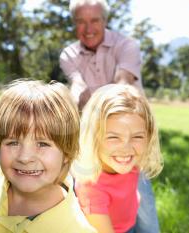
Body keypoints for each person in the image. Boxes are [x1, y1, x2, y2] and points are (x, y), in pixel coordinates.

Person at [60, 1, 159, 232]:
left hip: (129, 130)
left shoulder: (127, 46)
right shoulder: (69, 54)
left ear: (105, 21)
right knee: (98, 203)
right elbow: (77, 85)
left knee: (142, 208)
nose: (88, 28)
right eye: (81, 22)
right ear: (74, 24)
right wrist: (69, 106)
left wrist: (114, 106)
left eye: (94, 20)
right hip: (101, 142)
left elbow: (123, 81)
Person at [0, 80, 97, 233]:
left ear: (67, 152)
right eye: (13, 142)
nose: (24, 157)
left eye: (42, 144)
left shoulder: (74, 229)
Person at [72, 84, 163, 233]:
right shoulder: (91, 187)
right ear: (93, 137)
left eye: (137, 136)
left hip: (129, 225)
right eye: (113, 137)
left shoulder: (130, 162)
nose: (126, 148)